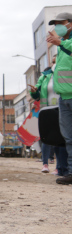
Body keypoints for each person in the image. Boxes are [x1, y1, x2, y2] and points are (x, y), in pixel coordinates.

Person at [29, 54, 68, 175]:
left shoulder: (65, 71)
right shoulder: (45, 77)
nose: (53, 63)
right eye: (52, 61)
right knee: (55, 140)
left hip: (63, 108)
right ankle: (60, 168)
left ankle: (63, 167)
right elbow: (37, 93)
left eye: (56, 60)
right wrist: (34, 91)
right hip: (48, 111)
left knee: (65, 139)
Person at [46, 12, 72, 185]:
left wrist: (60, 42)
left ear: (70, 24)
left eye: (60, 23)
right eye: (55, 24)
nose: (57, 27)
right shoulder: (62, 47)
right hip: (64, 97)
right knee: (68, 138)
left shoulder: (65, 44)